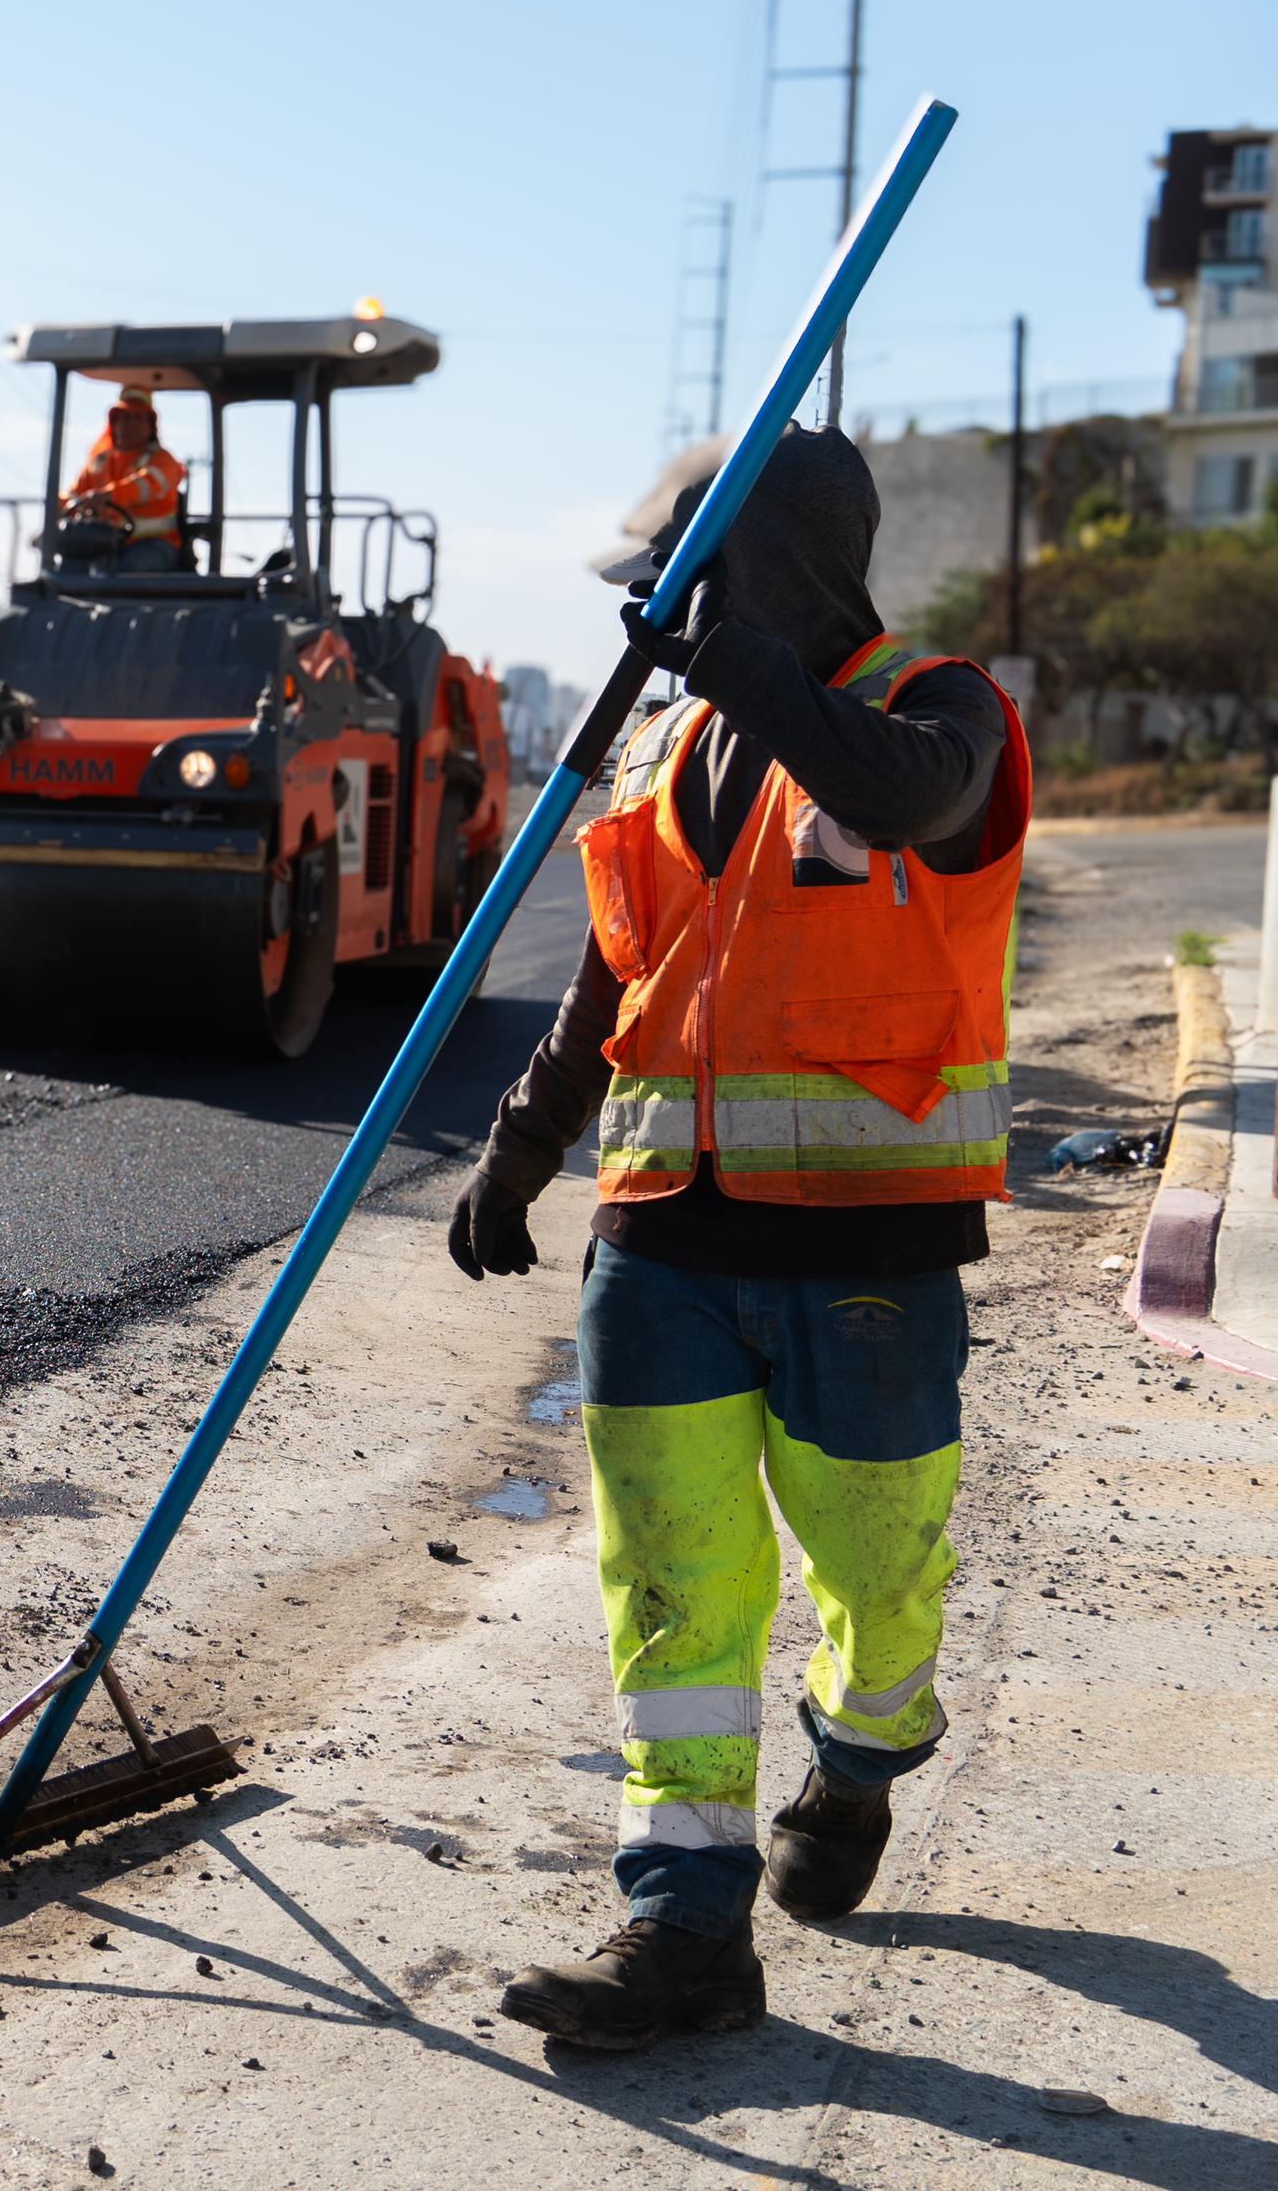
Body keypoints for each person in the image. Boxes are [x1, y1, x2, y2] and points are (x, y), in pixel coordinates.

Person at [443, 427, 1028, 2055]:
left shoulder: (942, 708)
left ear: (764, 561)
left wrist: (757, 671)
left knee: (876, 1572)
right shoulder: (666, 743)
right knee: (675, 1592)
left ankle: (858, 1762)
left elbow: (904, 798)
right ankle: (686, 1928)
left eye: (678, 571)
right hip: (662, 1249)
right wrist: (524, 1146)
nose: (652, 605)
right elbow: (613, 975)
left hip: (868, 1258)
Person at [62, 383, 190, 572]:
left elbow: (147, 485)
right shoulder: (99, 462)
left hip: (154, 544)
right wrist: (58, 507)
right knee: (70, 567)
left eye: (138, 418)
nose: (131, 424)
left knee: (130, 570)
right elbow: (73, 495)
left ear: (150, 426)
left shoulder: (162, 460)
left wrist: (108, 496)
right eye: (125, 418)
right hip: (103, 543)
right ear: (114, 423)